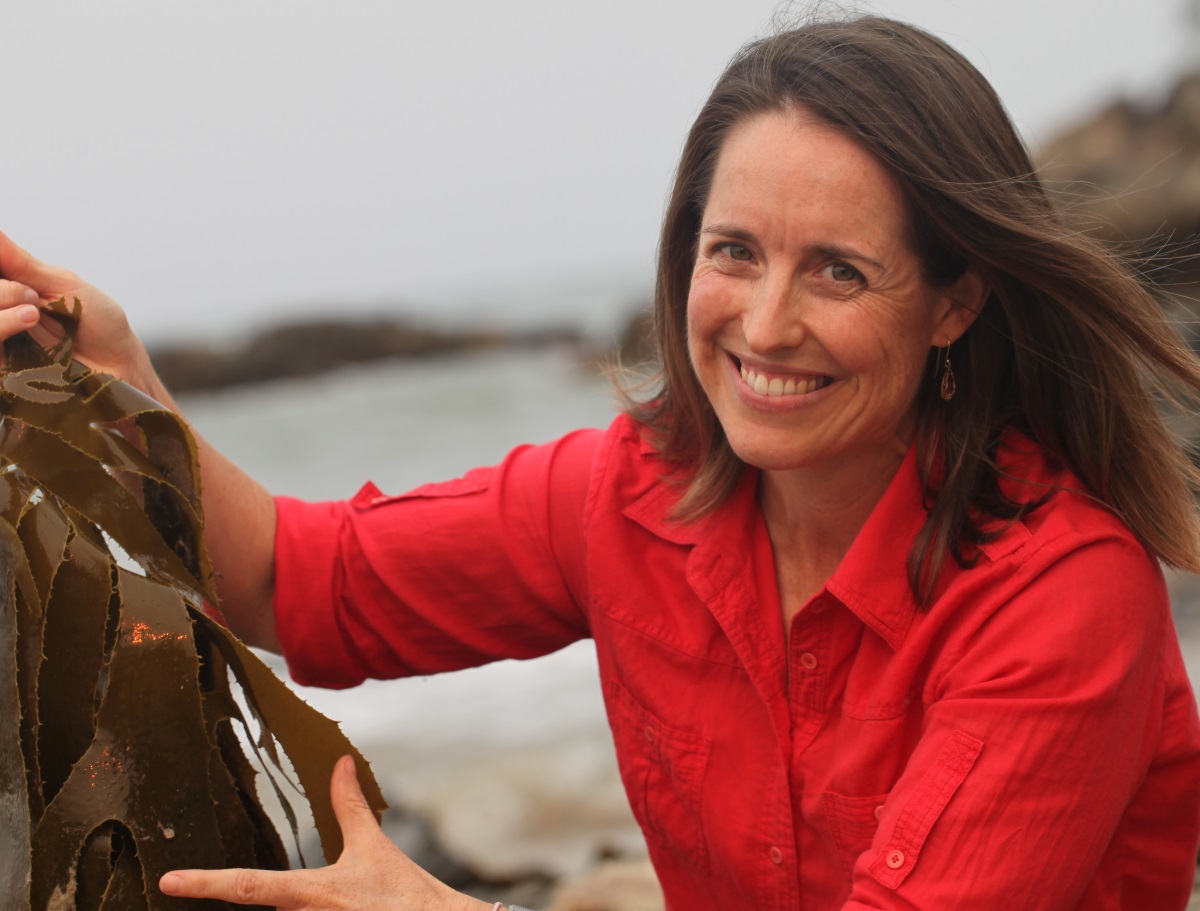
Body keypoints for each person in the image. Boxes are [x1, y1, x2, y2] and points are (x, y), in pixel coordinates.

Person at [3, 13, 1200, 911]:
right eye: (734, 251)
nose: (766, 323)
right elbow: (305, 582)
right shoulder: (629, 492)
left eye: (839, 268)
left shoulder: (1061, 596)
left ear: (956, 302)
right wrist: (116, 386)